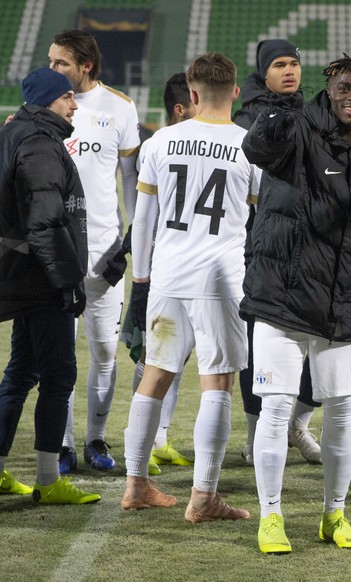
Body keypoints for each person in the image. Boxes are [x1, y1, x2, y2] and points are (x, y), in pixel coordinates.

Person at [241, 54, 351, 554]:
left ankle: (335, 514)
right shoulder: (297, 132)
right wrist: (279, 107)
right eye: (345, 87)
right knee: (275, 408)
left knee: (342, 413)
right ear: (329, 93)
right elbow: (256, 145)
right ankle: (271, 517)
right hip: (281, 302)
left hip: (346, 306)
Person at [121, 52, 258, 525]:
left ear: (192, 95)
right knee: (217, 385)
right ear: (235, 93)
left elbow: (143, 221)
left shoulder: (161, 140)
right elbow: (259, 222)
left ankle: (136, 484)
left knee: (154, 377)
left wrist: (141, 281)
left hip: (167, 275)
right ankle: (204, 498)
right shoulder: (249, 144)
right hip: (221, 277)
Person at [0, 68, 99, 504]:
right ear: (46, 101)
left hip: (22, 273)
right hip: (39, 279)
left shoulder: (19, 133)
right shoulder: (40, 143)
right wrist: (68, 280)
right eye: (66, 98)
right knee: (58, 375)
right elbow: (44, 222)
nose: (74, 105)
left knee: (20, 373)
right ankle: (46, 478)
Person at [48, 29, 141, 473]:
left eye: (60, 63)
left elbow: (132, 185)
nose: (52, 70)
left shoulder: (119, 107)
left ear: (85, 65)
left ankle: (95, 440)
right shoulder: (43, 106)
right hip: (55, 254)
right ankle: (62, 445)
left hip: (104, 255)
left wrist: (133, 242)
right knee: (58, 355)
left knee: (104, 352)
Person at [233, 39, 322, 466]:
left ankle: (298, 425)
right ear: (263, 72)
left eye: (295, 63)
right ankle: (255, 433)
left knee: (316, 342)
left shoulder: (313, 112)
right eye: (280, 64)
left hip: (309, 249)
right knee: (259, 348)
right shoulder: (248, 118)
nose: (290, 71)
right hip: (263, 247)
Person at [119, 72, 196, 477]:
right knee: (151, 358)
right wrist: (141, 278)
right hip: (161, 271)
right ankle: (140, 440)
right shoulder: (156, 147)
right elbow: (143, 218)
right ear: (181, 109)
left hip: (187, 269)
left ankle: (160, 437)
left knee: (177, 357)